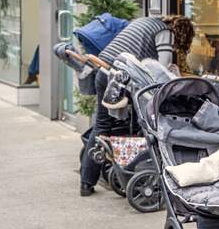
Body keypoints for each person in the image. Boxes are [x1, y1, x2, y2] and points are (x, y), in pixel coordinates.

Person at [79, 14, 194, 196]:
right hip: (120, 78)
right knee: (142, 122)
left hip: (105, 71)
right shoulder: (165, 32)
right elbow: (163, 68)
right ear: (181, 34)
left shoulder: (145, 21)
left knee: (102, 125)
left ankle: (86, 182)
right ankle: (135, 165)